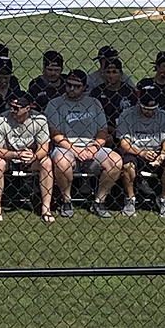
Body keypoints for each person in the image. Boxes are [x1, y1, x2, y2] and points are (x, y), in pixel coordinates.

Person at [45, 69, 123, 218]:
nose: (71, 89)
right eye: (69, 85)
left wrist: (94, 147)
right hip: (66, 146)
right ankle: (66, 200)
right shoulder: (55, 104)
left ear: (85, 87)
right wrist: (76, 150)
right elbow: (55, 134)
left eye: (76, 86)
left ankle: (99, 201)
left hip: (91, 146)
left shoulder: (94, 103)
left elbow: (103, 131)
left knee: (116, 161)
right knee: (61, 161)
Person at [0, 92, 53, 223]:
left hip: (30, 157)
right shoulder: (1, 120)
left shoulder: (39, 120)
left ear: (27, 108)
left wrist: (34, 156)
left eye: (16, 108)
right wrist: (15, 155)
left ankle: (46, 208)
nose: (12, 110)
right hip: (8, 156)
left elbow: (44, 148)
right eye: (11, 106)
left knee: (47, 163)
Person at [116, 90, 165, 217]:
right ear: (139, 104)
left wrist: (162, 156)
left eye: (153, 109)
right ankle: (130, 199)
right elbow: (124, 144)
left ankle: (164, 199)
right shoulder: (127, 116)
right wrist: (141, 153)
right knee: (127, 166)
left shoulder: (163, 116)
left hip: (157, 151)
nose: (150, 112)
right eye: (146, 109)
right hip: (135, 152)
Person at [89, 58, 137, 130]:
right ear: (103, 74)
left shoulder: (129, 91)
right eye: (108, 72)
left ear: (121, 74)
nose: (111, 76)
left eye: (114, 72)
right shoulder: (96, 93)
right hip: (103, 129)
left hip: (127, 128)